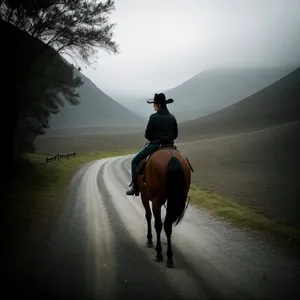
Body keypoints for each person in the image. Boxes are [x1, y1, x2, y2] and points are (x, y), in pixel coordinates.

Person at [126, 92, 178, 196]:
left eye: (154, 104)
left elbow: (147, 134)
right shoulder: (172, 117)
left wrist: (154, 139)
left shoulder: (153, 117)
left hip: (156, 146)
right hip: (170, 146)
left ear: (158, 105)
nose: (153, 106)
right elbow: (175, 134)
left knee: (135, 161)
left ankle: (135, 187)